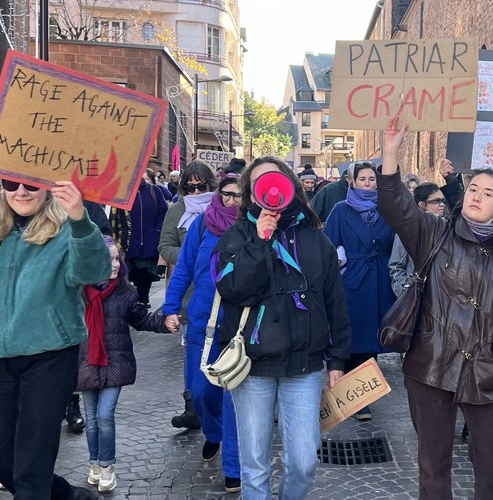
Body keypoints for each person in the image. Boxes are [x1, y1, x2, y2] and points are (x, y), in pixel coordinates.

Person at [377, 117, 493, 499]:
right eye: (473, 188)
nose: (478, 196)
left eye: (488, 193)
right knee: (434, 468)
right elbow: (396, 207)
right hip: (430, 365)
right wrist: (391, 152)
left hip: (485, 372)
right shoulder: (434, 232)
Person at [0, 179, 110, 500]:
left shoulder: (66, 231)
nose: (20, 191)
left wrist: (79, 217)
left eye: (31, 184)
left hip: (48, 358)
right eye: (11, 183)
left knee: (31, 469)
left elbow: (94, 271)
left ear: (47, 188)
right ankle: (67, 495)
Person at [213, 156, 351, 500]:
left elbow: (335, 300)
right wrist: (260, 242)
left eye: (275, 179)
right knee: (255, 465)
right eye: (260, 183)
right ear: (251, 194)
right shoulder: (237, 235)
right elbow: (232, 289)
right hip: (253, 365)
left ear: (288, 185)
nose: (269, 188)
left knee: (304, 461)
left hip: (303, 364)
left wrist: (337, 359)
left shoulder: (316, 239)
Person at [162, 175, 244, 493]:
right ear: (218, 194)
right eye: (227, 194)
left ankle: (233, 468)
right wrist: (170, 306)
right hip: (202, 321)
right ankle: (213, 431)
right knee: (200, 392)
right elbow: (182, 267)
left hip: (238, 325)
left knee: (233, 396)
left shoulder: (252, 227)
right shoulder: (201, 226)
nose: (232, 201)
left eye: (239, 195)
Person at [77, 236, 176, 493]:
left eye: (115, 259)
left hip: (116, 362)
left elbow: (142, 320)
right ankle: (94, 464)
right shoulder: (78, 293)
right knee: (91, 418)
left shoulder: (126, 293)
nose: (113, 264)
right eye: (107, 259)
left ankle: (107, 466)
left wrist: (164, 323)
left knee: (104, 415)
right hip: (86, 362)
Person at [323, 161, 396, 421]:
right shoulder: (340, 210)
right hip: (351, 280)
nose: (368, 183)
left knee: (373, 339)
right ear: (351, 182)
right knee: (351, 337)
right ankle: (349, 394)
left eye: (372, 179)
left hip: (379, 280)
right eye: (362, 179)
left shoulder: (387, 209)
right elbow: (327, 246)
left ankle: (364, 396)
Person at [157, 161, 217, 430]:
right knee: (193, 349)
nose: (194, 192)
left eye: (200, 187)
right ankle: (192, 404)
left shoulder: (222, 210)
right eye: (189, 187)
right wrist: (189, 258)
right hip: (189, 293)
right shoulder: (177, 210)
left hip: (218, 292)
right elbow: (165, 245)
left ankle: (216, 401)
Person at [111, 171, 169, 308]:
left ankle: (142, 301)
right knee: (127, 273)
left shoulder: (154, 191)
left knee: (145, 274)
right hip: (128, 241)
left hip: (149, 242)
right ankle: (128, 301)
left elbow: (163, 212)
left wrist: (157, 232)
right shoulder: (122, 191)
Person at [387, 182, 445, 297]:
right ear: (422, 205)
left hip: (442, 298)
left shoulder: (447, 226)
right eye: (436, 201)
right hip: (417, 297)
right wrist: (405, 294)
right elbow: (396, 266)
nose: (442, 205)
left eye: (443, 200)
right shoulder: (409, 229)